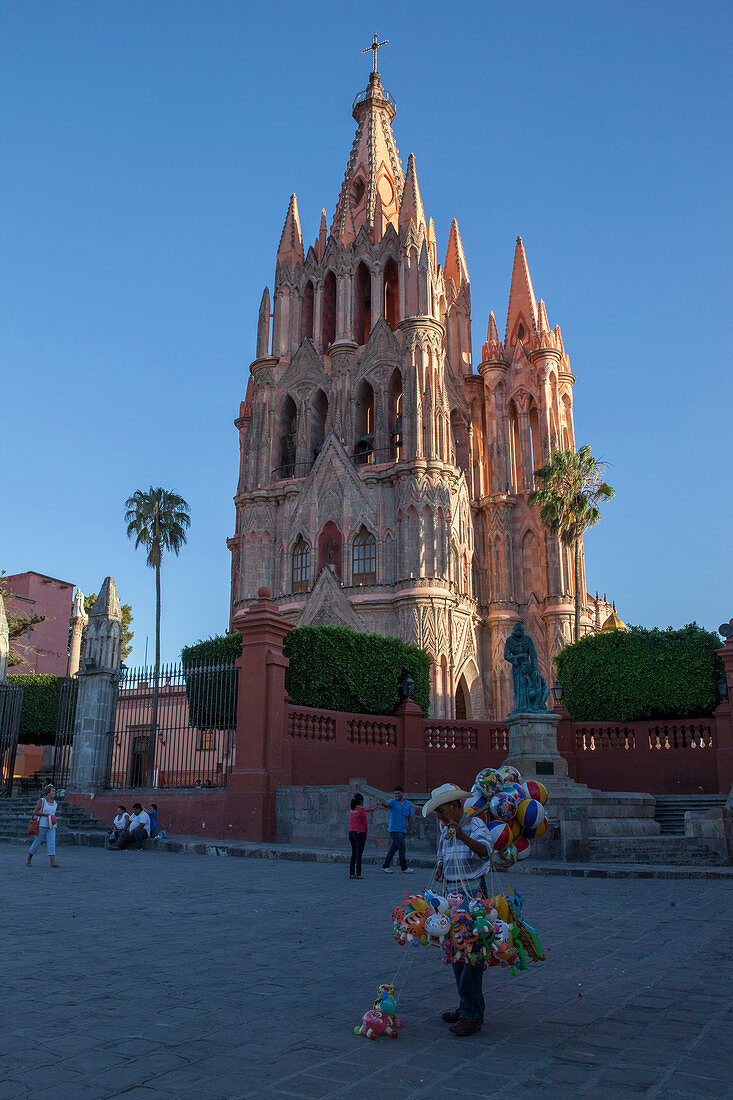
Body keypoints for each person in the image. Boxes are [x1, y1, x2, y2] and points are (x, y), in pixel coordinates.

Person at [423, 782, 491, 1037]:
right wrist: (440, 868)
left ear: (455, 806)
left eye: (441, 812)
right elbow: (442, 856)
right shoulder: (445, 832)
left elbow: (485, 852)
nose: (440, 817)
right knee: (456, 952)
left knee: (471, 954)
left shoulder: (475, 825)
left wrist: (462, 835)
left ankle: (472, 1015)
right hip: (450, 897)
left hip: (473, 895)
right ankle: (466, 1007)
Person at [379, 785, 414, 874]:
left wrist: (410, 829)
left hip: (403, 830)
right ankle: (404, 867)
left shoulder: (408, 804)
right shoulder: (392, 802)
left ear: (402, 793)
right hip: (394, 829)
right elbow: (387, 804)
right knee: (402, 846)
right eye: (395, 794)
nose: (396, 795)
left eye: (398, 793)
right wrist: (383, 803)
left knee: (394, 848)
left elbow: (410, 817)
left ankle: (385, 866)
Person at [26, 784, 60, 868]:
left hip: (52, 825)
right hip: (42, 824)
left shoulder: (55, 803)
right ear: (48, 792)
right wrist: (45, 815)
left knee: (51, 842)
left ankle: (52, 862)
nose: (54, 793)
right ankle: (29, 858)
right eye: (52, 791)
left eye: (54, 791)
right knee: (37, 842)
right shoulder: (42, 801)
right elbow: (35, 812)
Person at [348, 793, 374, 879]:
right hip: (360, 833)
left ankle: (352, 873)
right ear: (361, 801)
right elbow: (365, 825)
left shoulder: (352, 809)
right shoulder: (361, 811)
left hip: (351, 833)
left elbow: (363, 810)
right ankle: (359, 874)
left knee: (354, 854)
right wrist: (365, 835)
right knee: (359, 854)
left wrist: (371, 809)